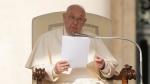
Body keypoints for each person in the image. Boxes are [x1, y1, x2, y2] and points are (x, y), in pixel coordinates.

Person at [26, 4, 118, 84]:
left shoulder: (94, 38)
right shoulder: (46, 38)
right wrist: (55, 69)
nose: (75, 22)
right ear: (64, 17)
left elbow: (111, 71)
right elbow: (37, 70)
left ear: (84, 22)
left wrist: (103, 65)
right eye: (72, 17)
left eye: (79, 19)